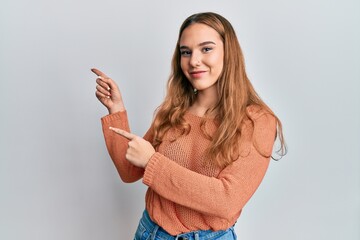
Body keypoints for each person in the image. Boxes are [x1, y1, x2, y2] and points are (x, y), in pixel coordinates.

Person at [92, 12, 286, 240]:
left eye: (206, 49)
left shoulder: (257, 121)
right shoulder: (173, 110)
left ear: (228, 52)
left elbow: (227, 200)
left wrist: (153, 162)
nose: (193, 60)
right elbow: (129, 171)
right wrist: (116, 110)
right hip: (150, 233)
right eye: (186, 52)